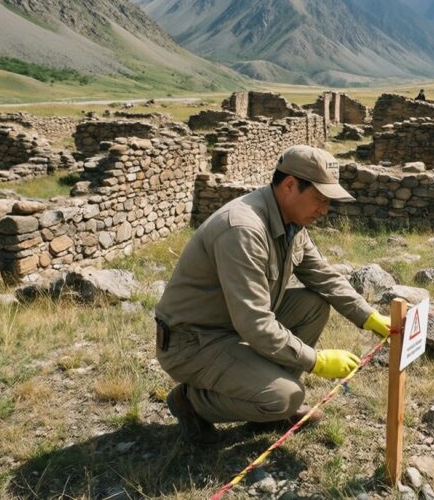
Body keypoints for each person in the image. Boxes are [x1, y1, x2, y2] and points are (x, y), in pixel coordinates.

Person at [155, 145, 392, 444]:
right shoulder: (243, 229)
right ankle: (191, 402)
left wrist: (370, 317)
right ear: (290, 185)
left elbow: (324, 276)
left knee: (313, 304)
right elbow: (255, 323)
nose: (324, 210)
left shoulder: (291, 220)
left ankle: (267, 405)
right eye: (320, 199)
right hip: (192, 341)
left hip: (228, 324)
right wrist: (316, 360)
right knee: (285, 396)